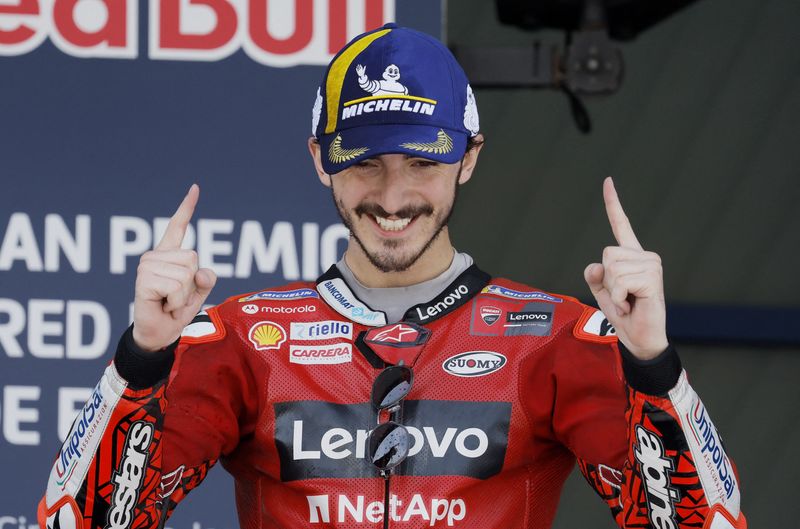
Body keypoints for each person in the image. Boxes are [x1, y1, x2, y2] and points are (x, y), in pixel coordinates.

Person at [38, 23, 746, 529]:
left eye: (422, 162)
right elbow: (75, 520)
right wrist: (142, 359)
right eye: (366, 162)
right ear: (322, 160)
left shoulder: (553, 337)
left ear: (469, 158)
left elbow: (706, 523)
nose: (393, 194)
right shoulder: (244, 339)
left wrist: (653, 367)